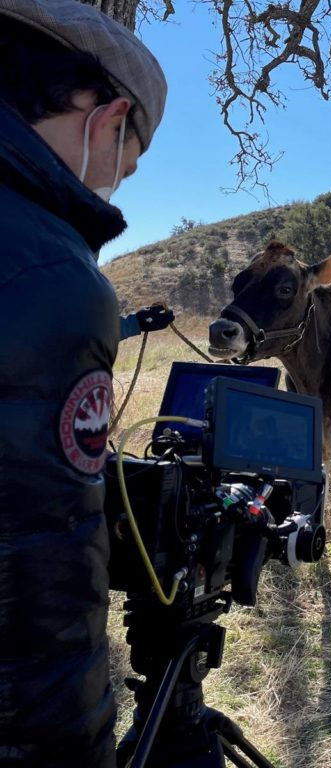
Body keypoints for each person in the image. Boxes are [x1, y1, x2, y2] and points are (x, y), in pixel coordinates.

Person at [0, 2, 166, 766]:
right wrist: (80, 745)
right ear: (108, 118)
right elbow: (39, 576)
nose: (114, 187)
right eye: (125, 166)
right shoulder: (54, 270)